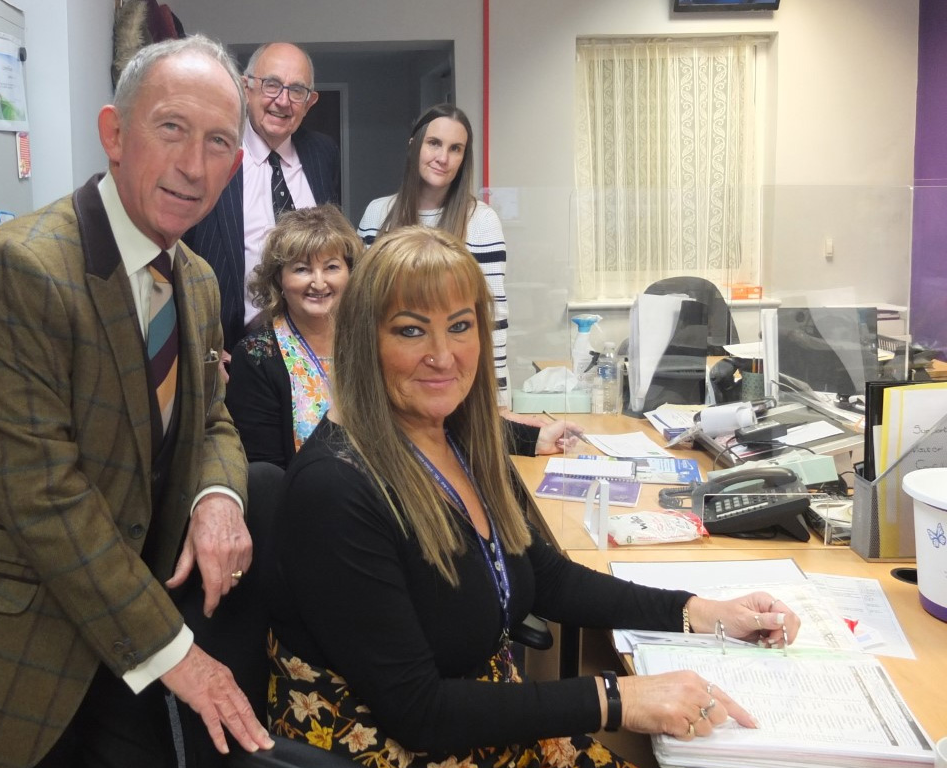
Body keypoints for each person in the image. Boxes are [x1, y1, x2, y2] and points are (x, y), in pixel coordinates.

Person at [0, 36, 275, 768]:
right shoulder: (21, 270)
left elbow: (210, 417)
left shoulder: (199, 281)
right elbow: (43, 497)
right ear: (114, 133)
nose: (193, 166)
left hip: (119, 640)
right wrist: (180, 656)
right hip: (10, 647)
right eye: (170, 128)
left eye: (216, 144)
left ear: (236, 165)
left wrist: (217, 496)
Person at [266, 225, 802, 768]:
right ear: (363, 339)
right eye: (410, 331)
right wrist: (618, 699)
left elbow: (545, 575)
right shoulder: (334, 489)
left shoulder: (456, 436)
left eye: (459, 326)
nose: (443, 355)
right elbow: (418, 711)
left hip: (485, 724)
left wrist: (697, 611)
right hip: (406, 747)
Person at [184, 42, 342, 355]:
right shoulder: (213, 153)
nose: (282, 101)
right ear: (247, 89)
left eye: (296, 90)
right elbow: (181, 257)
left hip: (314, 346)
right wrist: (201, 348)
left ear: (310, 102)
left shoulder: (323, 154)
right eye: (271, 85)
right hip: (230, 351)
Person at [357, 104, 516, 409]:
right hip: (394, 384)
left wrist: (496, 400)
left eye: (455, 149)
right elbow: (364, 311)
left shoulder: (481, 221)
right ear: (414, 146)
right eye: (434, 144)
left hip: (456, 385)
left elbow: (492, 316)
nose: (443, 158)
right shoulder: (378, 214)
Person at [226, 204, 362, 468]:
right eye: (302, 269)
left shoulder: (370, 341)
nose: (319, 283)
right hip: (302, 501)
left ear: (350, 272)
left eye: (332, 267)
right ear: (279, 278)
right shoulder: (256, 356)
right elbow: (267, 472)